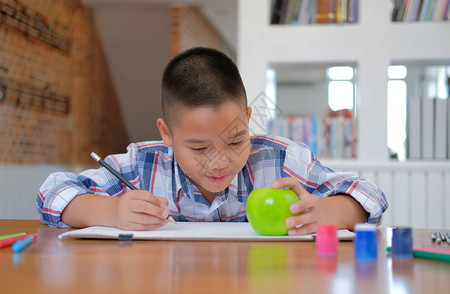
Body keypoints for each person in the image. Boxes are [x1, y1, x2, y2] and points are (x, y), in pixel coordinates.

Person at [36, 47, 388, 235]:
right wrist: (109, 211)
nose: (219, 162)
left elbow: (370, 194)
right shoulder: (144, 164)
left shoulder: (278, 161)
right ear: (167, 134)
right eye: (200, 148)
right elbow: (51, 193)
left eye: (236, 141)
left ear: (248, 120)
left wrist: (330, 212)